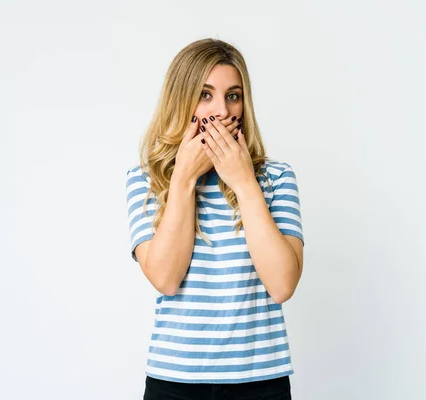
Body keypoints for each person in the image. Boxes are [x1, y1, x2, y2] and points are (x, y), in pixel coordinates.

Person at [126, 38, 304, 400]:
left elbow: (282, 285)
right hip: (175, 382)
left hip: (261, 382)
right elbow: (166, 279)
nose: (221, 110)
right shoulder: (146, 180)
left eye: (233, 95)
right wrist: (184, 180)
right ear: (182, 101)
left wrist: (243, 181)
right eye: (205, 95)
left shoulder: (277, 178)